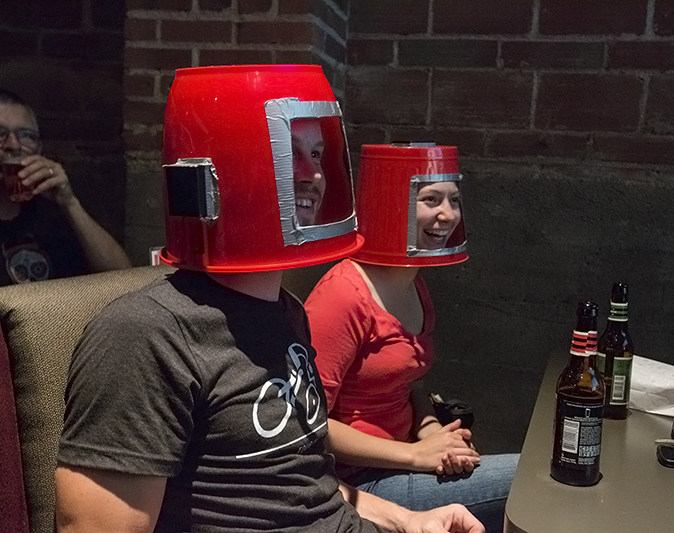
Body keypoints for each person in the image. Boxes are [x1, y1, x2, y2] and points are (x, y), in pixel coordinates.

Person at [55, 65, 482, 533]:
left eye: (316, 153)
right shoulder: (144, 335)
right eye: (287, 153)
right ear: (221, 171)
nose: (314, 174)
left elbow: (306, 482)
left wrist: (409, 521)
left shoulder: (288, 312)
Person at [304, 144, 518, 533]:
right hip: (359, 483)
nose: (448, 214)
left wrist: (433, 433)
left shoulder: (413, 282)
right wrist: (418, 455)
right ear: (390, 205)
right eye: (430, 200)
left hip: (406, 458)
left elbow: (410, 383)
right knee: (534, 481)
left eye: (454, 199)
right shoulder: (343, 295)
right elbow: (307, 424)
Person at [0, 89, 130, 284]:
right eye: (0, 134)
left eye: (26, 135)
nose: (14, 144)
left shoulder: (53, 210)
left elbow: (123, 280)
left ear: (39, 149)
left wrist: (70, 203)